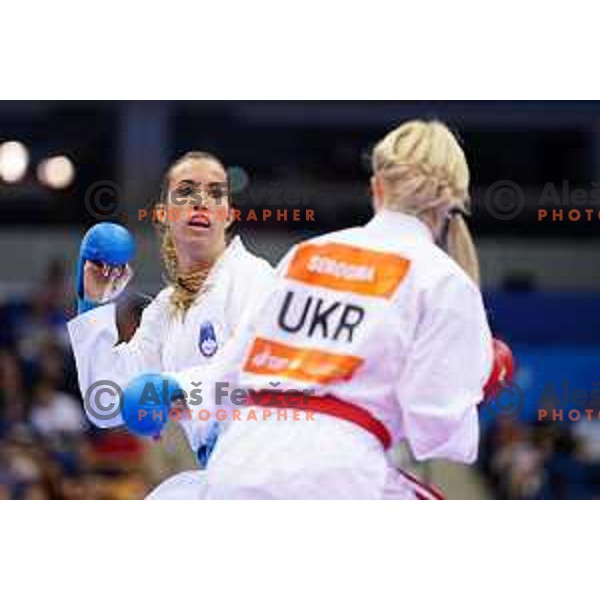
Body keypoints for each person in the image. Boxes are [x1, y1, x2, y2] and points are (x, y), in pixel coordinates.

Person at [125, 120, 511, 499]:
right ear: (452, 202)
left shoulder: (306, 255)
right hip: (334, 475)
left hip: (237, 463)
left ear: (377, 189)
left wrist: (180, 390)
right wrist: (476, 381)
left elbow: (234, 371)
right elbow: (435, 432)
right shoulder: (444, 280)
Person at [67, 151, 275, 497]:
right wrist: (93, 305)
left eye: (215, 193)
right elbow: (105, 404)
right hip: (217, 474)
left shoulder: (254, 279)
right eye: (186, 191)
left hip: (268, 470)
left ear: (227, 216)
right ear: (164, 214)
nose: (201, 201)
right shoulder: (164, 309)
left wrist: (177, 386)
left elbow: (263, 379)